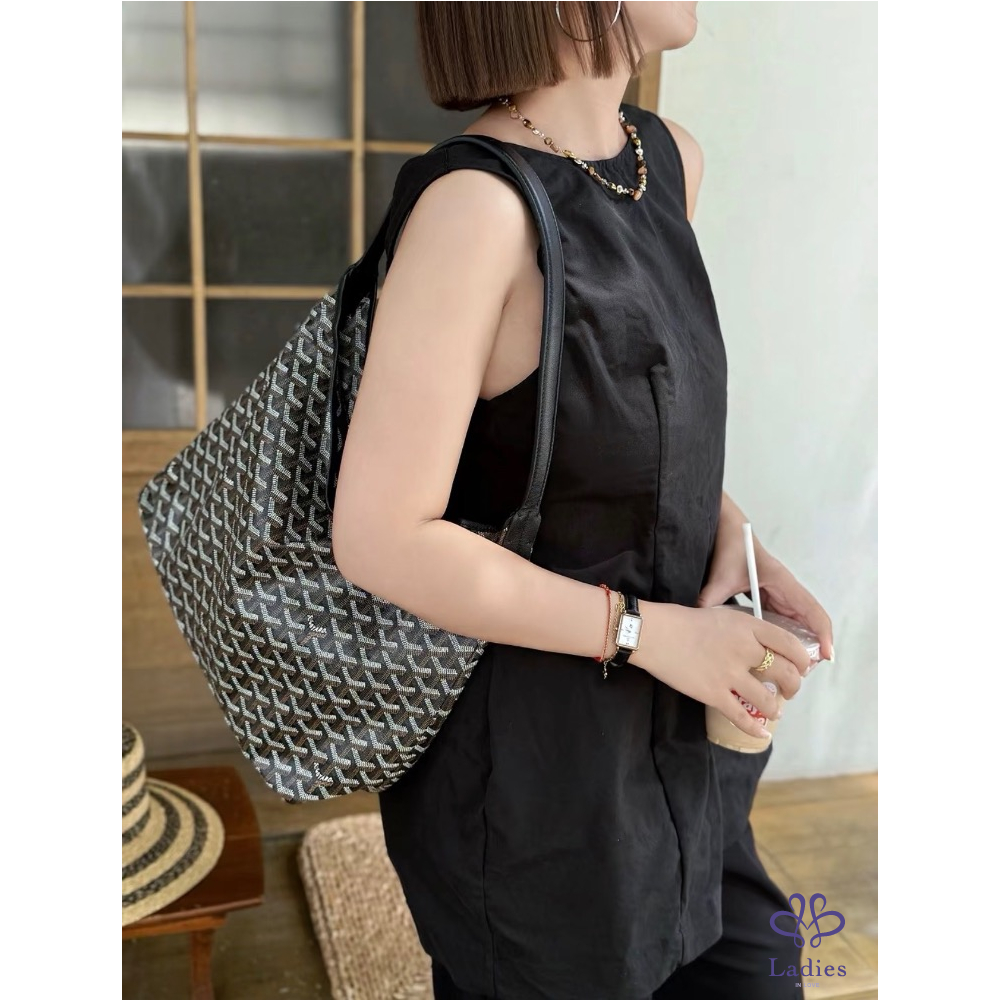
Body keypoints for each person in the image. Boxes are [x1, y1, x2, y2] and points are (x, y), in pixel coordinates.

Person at [331, 3, 834, 999]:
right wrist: (649, 632)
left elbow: (620, 422)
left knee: (765, 973)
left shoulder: (667, 162)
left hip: (677, 745)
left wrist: (731, 536)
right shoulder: (477, 211)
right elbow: (380, 536)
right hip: (535, 788)